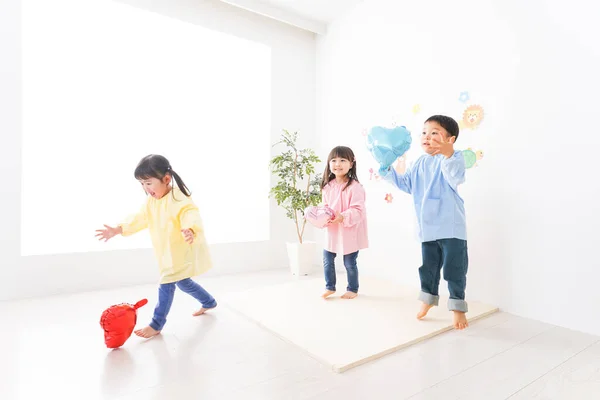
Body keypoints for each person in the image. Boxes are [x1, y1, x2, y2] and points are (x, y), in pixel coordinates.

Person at [95, 154, 216, 338]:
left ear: (166, 179)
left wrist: (190, 229)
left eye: (149, 183)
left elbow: (189, 213)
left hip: (181, 249)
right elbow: (140, 218)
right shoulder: (152, 202)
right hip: (167, 252)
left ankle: (156, 324)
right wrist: (119, 229)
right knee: (183, 282)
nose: (145, 188)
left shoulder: (178, 197)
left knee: (167, 283)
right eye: (142, 184)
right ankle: (209, 301)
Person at [381, 115, 469, 330]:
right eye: (424, 132)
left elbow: (456, 176)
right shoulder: (420, 162)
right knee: (428, 268)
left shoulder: (453, 158)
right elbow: (407, 184)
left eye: (435, 132)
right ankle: (427, 300)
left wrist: (448, 153)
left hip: (451, 226)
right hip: (427, 227)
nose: (427, 137)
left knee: (454, 268)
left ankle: (458, 308)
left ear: (450, 139)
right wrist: (386, 168)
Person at [320, 146, 368, 300]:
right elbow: (325, 206)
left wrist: (343, 216)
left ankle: (352, 289)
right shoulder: (327, 187)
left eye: (342, 160)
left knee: (349, 262)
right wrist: (321, 215)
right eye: (333, 160)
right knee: (327, 258)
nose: (337, 164)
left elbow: (358, 210)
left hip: (349, 231)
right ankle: (330, 286)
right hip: (333, 229)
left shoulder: (355, 187)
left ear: (351, 164)